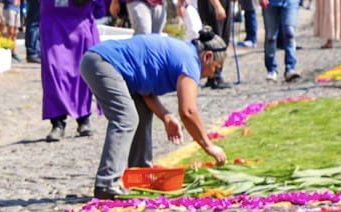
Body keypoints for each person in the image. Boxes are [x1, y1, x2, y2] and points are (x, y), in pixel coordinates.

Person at [78, 31, 229, 200]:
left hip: (101, 62)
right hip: (103, 63)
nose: (212, 74)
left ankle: (140, 175)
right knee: (126, 119)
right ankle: (106, 184)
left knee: (141, 112)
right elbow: (188, 111)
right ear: (207, 56)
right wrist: (209, 146)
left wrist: (166, 116)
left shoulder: (185, 53)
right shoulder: (191, 62)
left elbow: (146, 92)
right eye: (215, 68)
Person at [14, 0, 112, 140]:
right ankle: (57, 122)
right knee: (55, 72)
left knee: (83, 71)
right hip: (53, 23)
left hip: (81, 23)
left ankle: (83, 119)